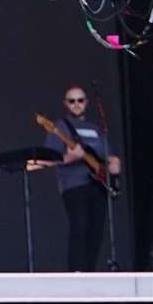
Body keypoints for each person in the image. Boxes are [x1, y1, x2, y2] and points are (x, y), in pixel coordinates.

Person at [41, 85, 121, 271]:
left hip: (99, 184)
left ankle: (89, 273)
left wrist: (114, 163)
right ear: (65, 104)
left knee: (96, 233)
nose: (76, 104)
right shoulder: (60, 127)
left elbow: (107, 156)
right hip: (74, 186)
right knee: (80, 227)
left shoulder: (96, 129)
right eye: (72, 101)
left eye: (80, 100)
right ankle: (76, 274)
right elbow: (47, 160)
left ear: (86, 103)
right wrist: (71, 157)